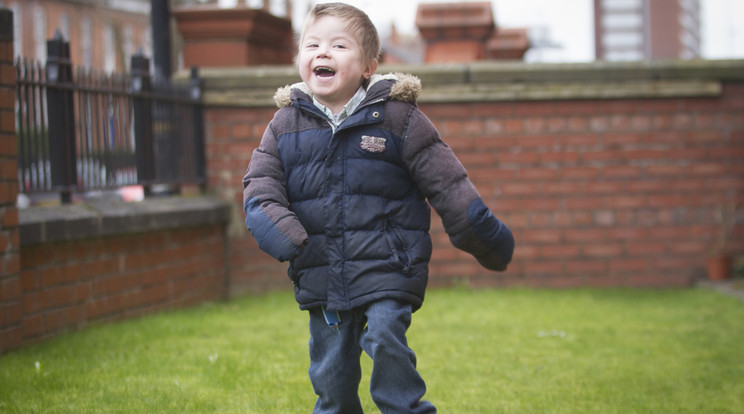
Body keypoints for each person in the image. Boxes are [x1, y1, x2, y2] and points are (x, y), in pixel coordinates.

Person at [241, 3, 515, 413]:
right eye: (311, 44)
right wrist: (278, 226)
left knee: (385, 334)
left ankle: (405, 408)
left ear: (368, 65)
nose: (323, 53)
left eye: (338, 45)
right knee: (332, 378)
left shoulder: (398, 118)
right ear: (299, 58)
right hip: (322, 270)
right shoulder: (285, 124)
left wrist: (483, 233)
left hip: (389, 264)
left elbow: (446, 182)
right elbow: (260, 185)